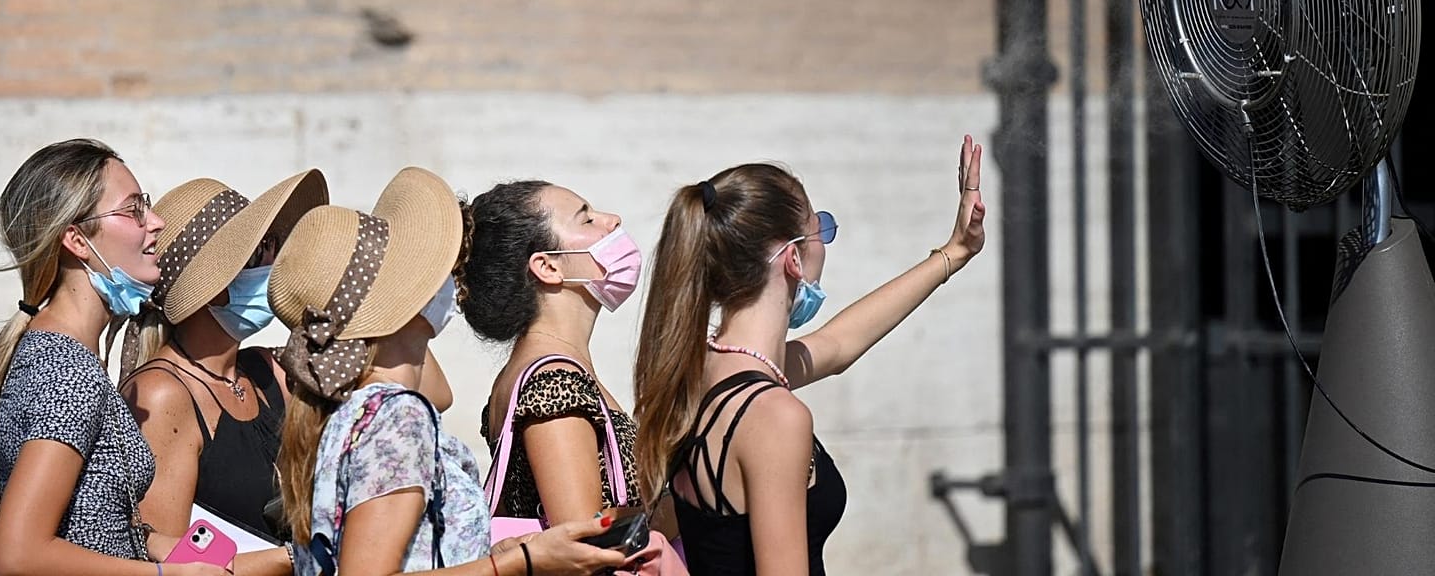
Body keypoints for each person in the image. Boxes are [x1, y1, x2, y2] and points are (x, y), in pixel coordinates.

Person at [633, 136, 988, 576]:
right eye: (822, 228)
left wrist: (955, 251)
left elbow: (837, 345)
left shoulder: (696, 369)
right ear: (793, 259)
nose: (826, 242)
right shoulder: (774, 416)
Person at [270, 167, 628, 576]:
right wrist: (517, 564)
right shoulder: (395, 416)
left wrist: (494, 553)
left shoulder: (367, 412)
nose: (451, 277)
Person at [0, 138, 227, 576]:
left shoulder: (52, 351)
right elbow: (15, 553)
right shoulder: (67, 370)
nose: (156, 222)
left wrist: (165, 549)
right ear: (77, 241)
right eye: (133, 210)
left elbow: (89, 523)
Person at [119, 170, 327, 567]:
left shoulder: (269, 373)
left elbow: (428, 392)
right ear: (217, 285)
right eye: (261, 248)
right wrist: (296, 558)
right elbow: (172, 564)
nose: (276, 259)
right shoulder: (163, 395)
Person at [459, 181, 651, 525]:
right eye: (587, 220)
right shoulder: (553, 384)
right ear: (547, 266)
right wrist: (688, 501)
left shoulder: (544, 370)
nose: (613, 220)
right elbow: (583, 539)